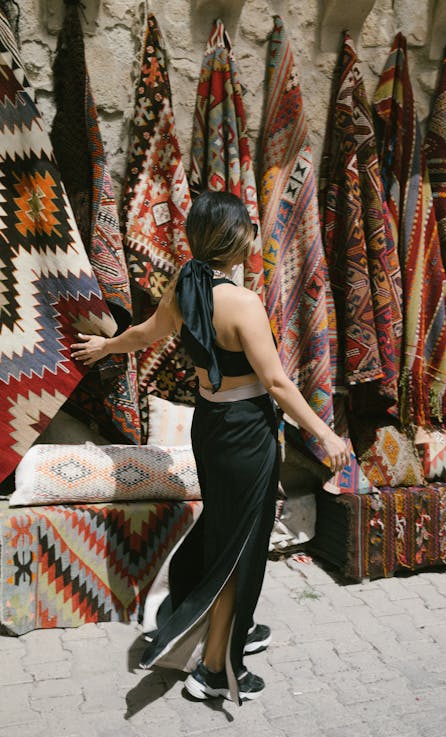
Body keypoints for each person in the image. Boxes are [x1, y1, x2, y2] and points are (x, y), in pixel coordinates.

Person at [71, 191, 349, 705]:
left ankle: (232, 627)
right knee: (240, 544)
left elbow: (145, 335)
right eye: (247, 229)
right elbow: (278, 385)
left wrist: (106, 346)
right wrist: (327, 435)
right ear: (231, 238)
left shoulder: (185, 284)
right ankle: (216, 670)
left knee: (227, 530)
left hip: (212, 425)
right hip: (246, 430)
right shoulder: (242, 304)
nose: (253, 237)